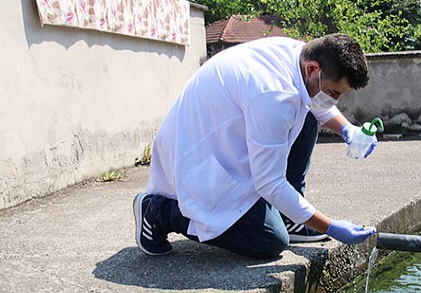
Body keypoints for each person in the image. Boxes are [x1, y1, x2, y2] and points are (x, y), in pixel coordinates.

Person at [133, 33, 378, 259]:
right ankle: (158, 212)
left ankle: (287, 215)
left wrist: (348, 129)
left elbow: (317, 104)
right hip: (196, 161)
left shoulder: (299, 55)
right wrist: (331, 226)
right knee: (268, 241)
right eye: (334, 92)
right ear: (313, 68)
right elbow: (270, 184)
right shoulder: (274, 95)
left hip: (219, 140)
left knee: (310, 113)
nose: (334, 100)